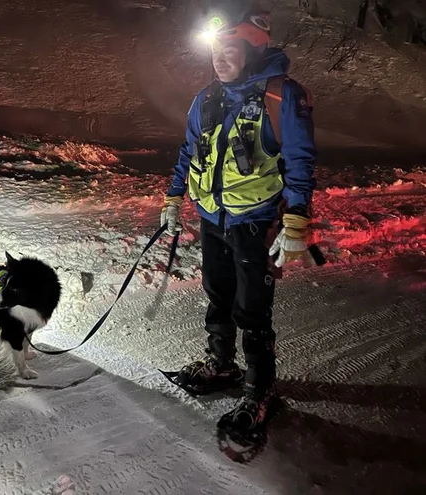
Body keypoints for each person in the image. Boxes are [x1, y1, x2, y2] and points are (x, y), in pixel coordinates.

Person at [160, 1, 316, 438]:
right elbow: (189, 152)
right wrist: (174, 197)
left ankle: (259, 388)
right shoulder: (205, 98)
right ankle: (222, 364)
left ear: (252, 49)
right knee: (219, 293)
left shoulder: (282, 96)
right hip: (213, 218)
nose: (219, 60)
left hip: (255, 220)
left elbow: (300, 162)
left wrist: (297, 221)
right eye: (215, 51)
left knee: (252, 309)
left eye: (229, 50)